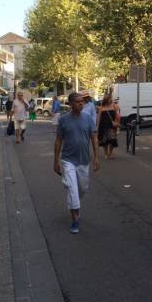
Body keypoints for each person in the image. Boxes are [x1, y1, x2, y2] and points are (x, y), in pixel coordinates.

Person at [54, 91, 99, 234]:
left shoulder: (88, 118)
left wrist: (96, 157)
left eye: (82, 102)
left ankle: (75, 203)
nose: (81, 104)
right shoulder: (63, 120)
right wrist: (56, 161)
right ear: (71, 104)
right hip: (68, 160)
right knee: (72, 189)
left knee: (82, 189)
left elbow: (94, 138)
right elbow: (58, 140)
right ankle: (74, 219)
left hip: (84, 160)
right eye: (78, 102)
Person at [97, 93, 119, 159]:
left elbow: (116, 116)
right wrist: (97, 128)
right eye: (109, 98)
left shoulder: (113, 106)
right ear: (106, 99)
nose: (111, 99)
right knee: (105, 141)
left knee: (112, 140)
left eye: (111, 98)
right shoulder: (101, 107)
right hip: (103, 126)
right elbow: (98, 118)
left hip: (111, 126)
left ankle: (110, 153)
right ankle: (106, 154)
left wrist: (117, 125)